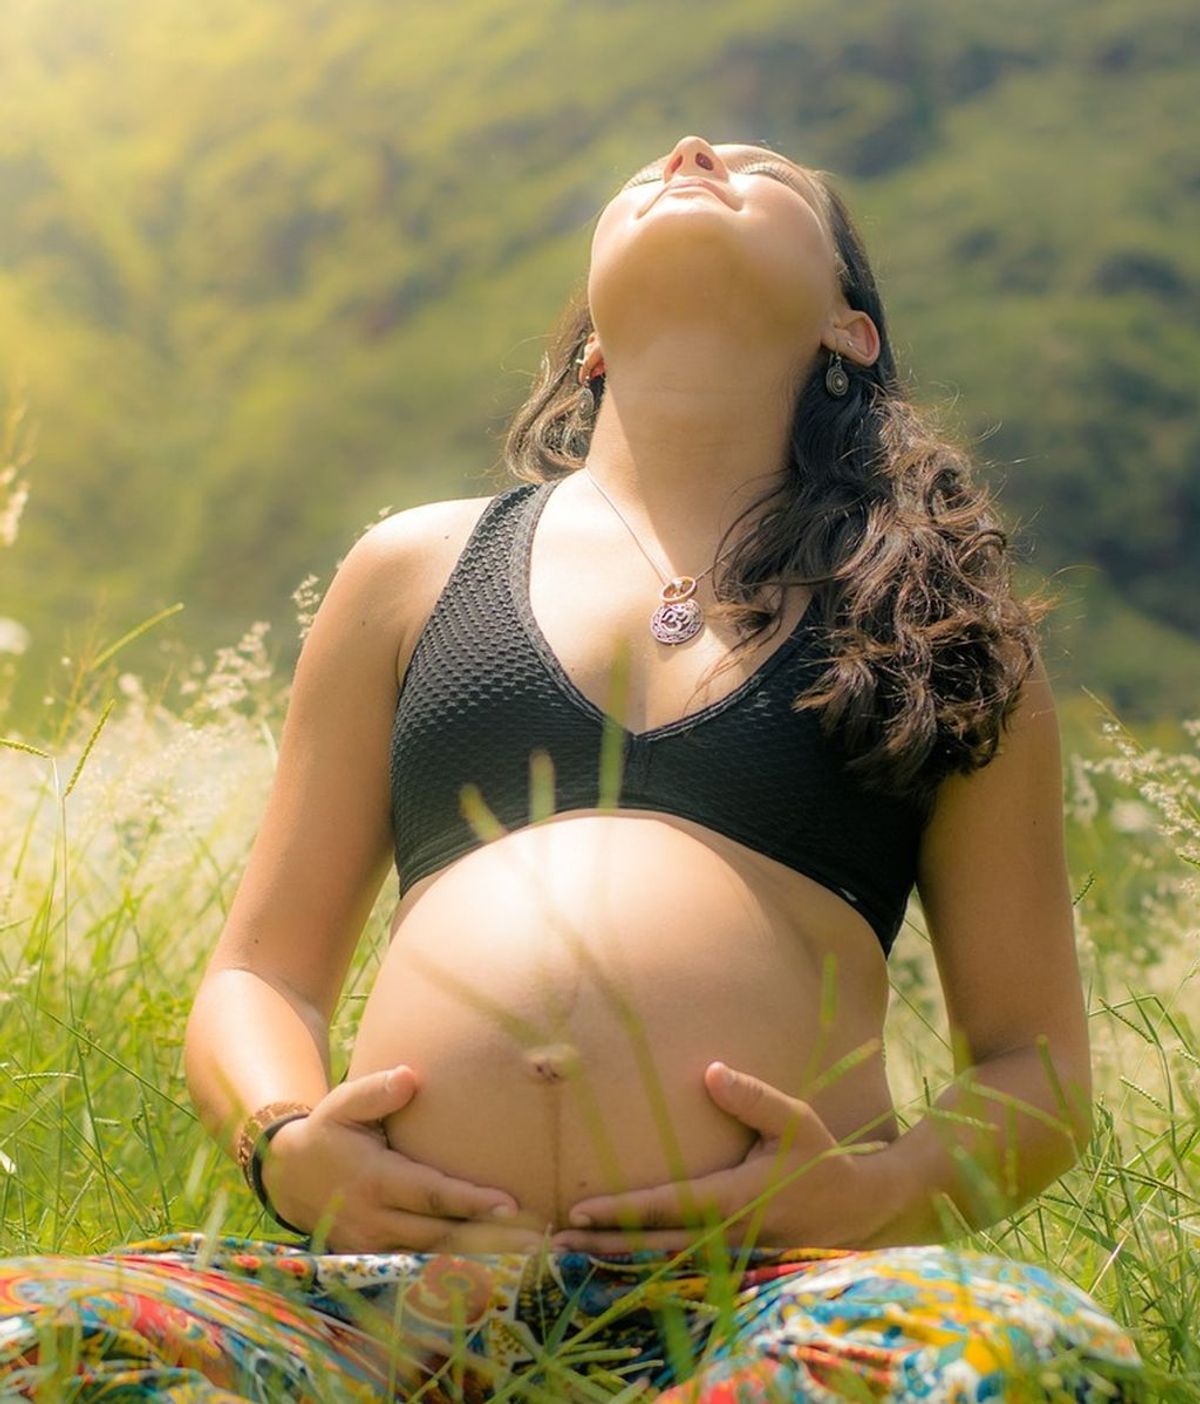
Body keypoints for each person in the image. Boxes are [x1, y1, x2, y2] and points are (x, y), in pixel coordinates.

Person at [0, 134, 1146, 1401]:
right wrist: (286, 1147)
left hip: (761, 1296)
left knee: (1025, 1358)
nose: (696, 149)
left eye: (763, 173)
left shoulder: (934, 625)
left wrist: (871, 1197)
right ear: (589, 345)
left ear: (848, 329)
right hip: (391, 1299)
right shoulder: (416, 571)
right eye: (663, 167)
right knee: (29, 1343)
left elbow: (1033, 1067)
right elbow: (261, 972)